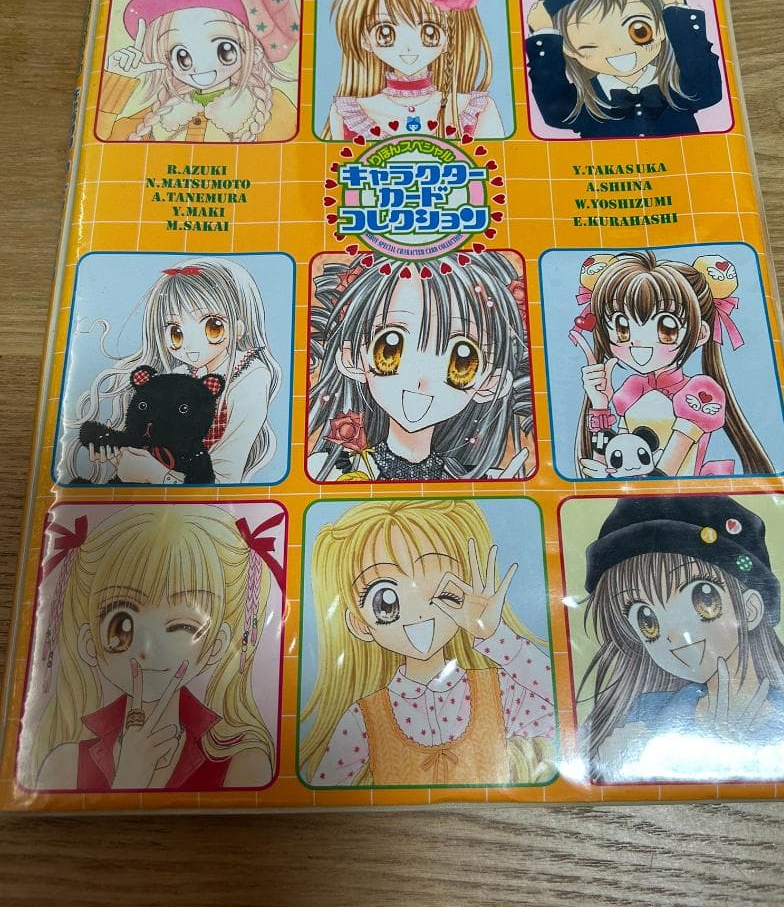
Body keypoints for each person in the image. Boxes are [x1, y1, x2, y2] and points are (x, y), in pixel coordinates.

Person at [299, 500, 555, 786]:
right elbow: (323, 789)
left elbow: (563, 708)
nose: (419, 613)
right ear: (360, 623)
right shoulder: (365, 717)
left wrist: (494, 636)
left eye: (443, 592)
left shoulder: (498, 690)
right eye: (386, 603)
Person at [30, 504, 281, 791]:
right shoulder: (65, 762)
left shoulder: (243, 763)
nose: (147, 649)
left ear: (216, 645)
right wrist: (128, 779)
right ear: (89, 641)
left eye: (182, 626)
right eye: (122, 622)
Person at [576, 494, 784, 783]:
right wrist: (612, 762)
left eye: (704, 599)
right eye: (647, 621)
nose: (674, 635)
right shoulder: (639, 714)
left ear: (750, 609)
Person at [307, 252, 534, 482]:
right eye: (389, 349)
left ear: (491, 382)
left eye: (461, 362)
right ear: (353, 358)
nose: (421, 380)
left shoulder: (480, 479)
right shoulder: (328, 471)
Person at [60, 257, 282, 485]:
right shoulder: (182, 372)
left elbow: (225, 480)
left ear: (239, 328)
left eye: (212, 327)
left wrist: (155, 474)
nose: (192, 347)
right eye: (176, 332)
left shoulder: (251, 377)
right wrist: (117, 449)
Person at [569, 251, 772, 477]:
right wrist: (600, 404)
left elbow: (663, 474)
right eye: (623, 328)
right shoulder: (633, 388)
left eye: (666, 329)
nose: (639, 343)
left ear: (700, 334)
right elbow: (613, 459)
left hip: (682, 493)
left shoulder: (700, 393)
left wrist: (610, 477)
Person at [525, 0, 723, 139]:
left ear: (662, 28)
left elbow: (708, 90)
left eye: (639, 31)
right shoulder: (582, 102)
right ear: (569, 49)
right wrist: (544, 36)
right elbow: (555, 111)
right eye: (589, 41)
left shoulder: (682, 86)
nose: (617, 47)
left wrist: (677, 10)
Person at [97, 0, 299, 142]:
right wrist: (117, 81)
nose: (200, 66)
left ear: (254, 53)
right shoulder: (162, 115)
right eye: (182, 56)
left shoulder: (270, 109)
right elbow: (103, 143)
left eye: (224, 50)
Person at [325, 0, 504, 140]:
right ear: (365, 39)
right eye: (385, 32)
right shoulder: (347, 114)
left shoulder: (475, 110)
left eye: (429, 31)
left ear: (449, 38)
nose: (409, 47)